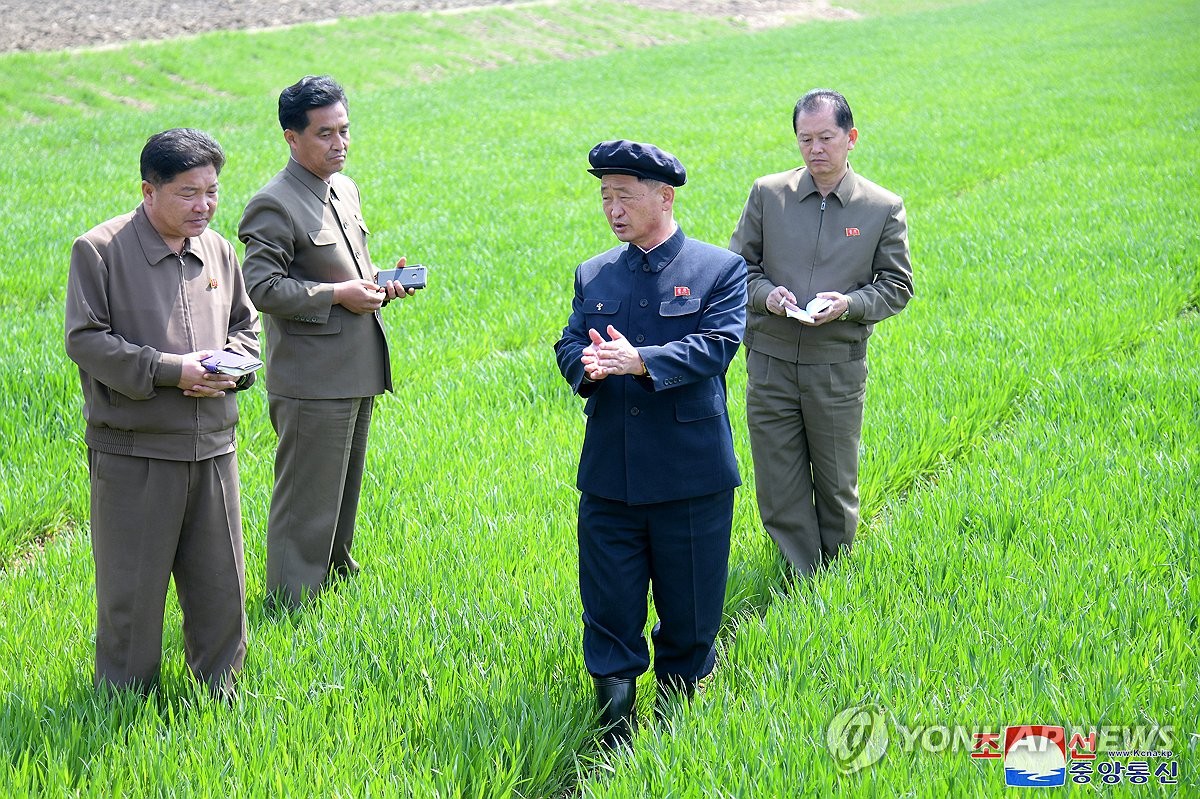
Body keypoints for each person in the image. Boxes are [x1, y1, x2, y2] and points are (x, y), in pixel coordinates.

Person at [554, 140, 747, 748]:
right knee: (608, 602)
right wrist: (585, 363)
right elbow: (566, 342)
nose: (612, 209)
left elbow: (718, 344)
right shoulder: (594, 272)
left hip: (691, 477)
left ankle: (681, 711)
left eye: (625, 197)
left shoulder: (718, 270)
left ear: (664, 197)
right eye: (605, 197)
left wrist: (642, 360)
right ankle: (613, 710)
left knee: (690, 610)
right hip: (611, 474)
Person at [64, 128, 259, 698]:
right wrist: (175, 371)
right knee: (132, 591)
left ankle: (221, 694)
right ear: (149, 191)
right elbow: (86, 340)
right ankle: (124, 702)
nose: (204, 206)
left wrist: (235, 369)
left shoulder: (219, 250)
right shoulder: (99, 250)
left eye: (212, 192)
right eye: (188, 193)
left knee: (223, 587)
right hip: (136, 454)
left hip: (215, 449)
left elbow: (246, 329)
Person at [239, 75, 414, 611]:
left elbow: (345, 267)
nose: (339, 144)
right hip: (311, 377)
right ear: (292, 138)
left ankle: (334, 578)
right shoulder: (273, 203)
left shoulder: (343, 188)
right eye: (324, 134)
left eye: (344, 131)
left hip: (355, 367)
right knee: (306, 500)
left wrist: (380, 283)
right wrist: (338, 294)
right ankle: (291, 603)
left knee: (342, 490)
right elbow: (261, 287)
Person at [729, 88, 914, 578]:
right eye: (805, 139)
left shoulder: (881, 207)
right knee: (778, 481)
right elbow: (737, 270)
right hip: (769, 360)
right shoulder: (768, 195)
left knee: (835, 483)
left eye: (826, 137)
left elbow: (897, 286)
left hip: (835, 365)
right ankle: (802, 578)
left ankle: (835, 572)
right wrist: (768, 295)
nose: (815, 149)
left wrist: (849, 305)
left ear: (850, 138)